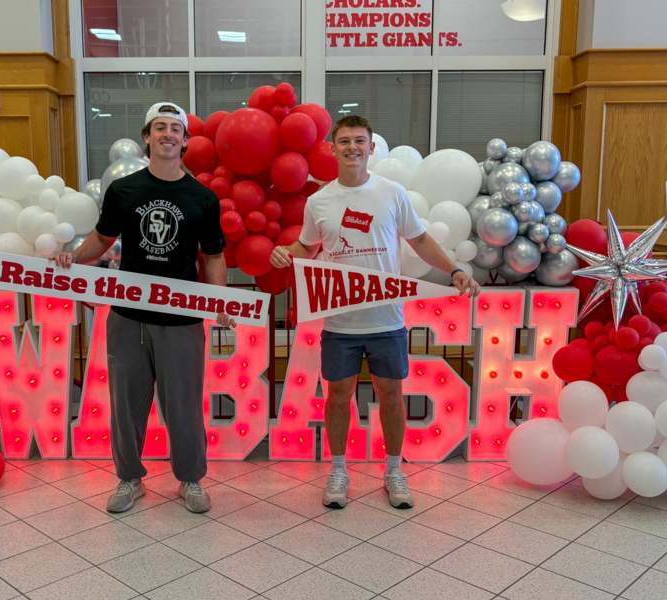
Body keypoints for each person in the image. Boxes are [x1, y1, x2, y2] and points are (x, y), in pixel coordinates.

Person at [270, 115, 480, 509]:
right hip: (339, 321)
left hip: (387, 318)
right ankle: (338, 471)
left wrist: (453, 268)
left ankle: (394, 471)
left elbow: (419, 240)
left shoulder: (392, 193)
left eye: (359, 141)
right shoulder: (319, 201)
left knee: (391, 394)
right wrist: (283, 253)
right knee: (337, 397)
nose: (352, 147)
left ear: (371, 148)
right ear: (332, 148)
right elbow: (306, 249)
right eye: (344, 141)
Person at [54, 102, 233, 514]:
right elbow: (101, 239)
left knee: (184, 404)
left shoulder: (202, 198)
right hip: (128, 315)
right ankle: (129, 479)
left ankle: (190, 479)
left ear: (185, 141)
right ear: (146, 137)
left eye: (175, 129)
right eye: (160, 128)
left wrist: (220, 300)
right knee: (126, 403)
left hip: (182, 319)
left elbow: (215, 256)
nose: (168, 134)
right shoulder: (125, 190)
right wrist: (73, 260)